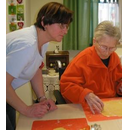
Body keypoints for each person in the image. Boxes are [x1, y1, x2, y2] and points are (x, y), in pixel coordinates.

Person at [6, 2, 73, 130]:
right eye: (61, 25)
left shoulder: (42, 40)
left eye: (67, 26)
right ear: (44, 22)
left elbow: (36, 68)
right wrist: (26, 109)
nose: (65, 31)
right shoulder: (27, 44)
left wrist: (42, 98)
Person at [60, 21, 122, 114]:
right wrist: (85, 94)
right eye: (104, 47)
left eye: (112, 48)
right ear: (94, 42)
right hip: (87, 105)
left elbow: (116, 81)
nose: (107, 52)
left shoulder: (114, 57)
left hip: (110, 104)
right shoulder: (82, 60)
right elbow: (66, 86)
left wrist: (121, 87)